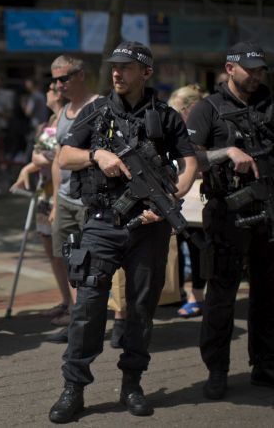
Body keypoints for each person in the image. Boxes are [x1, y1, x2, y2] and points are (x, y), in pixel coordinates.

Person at [49, 42, 197, 423]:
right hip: (101, 222)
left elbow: (190, 161)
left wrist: (167, 202)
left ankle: (132, 384)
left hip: (148, 228)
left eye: (126, 68)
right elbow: (64, 155)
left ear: (146, 72)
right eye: (114, 67)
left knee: (141, 309)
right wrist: (97, 155)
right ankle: (74, 388)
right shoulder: (96, 111)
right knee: (87, 307)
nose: (117, 73)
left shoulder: (165, 116)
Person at [186, 42, 274, 400]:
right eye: (249, 69)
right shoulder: (207, 109)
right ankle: (217, 370)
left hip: (268, 214)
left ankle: (265, 366)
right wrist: (227, 151)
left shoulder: (270, 104)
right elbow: (188, 159)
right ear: (229, 68)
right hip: (226, 215)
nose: (256, 76)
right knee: (222, 296)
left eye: (261, 69)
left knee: (268, 296)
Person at [46, 56, 99, 340]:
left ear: (81, 75)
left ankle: (108, 321)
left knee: (93, 264)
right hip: (66, 201)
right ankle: (78, 323)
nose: (58, 85)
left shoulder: (98, 106)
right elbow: (57, 160)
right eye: (55, 79)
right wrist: (55, 202)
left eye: (64, 78)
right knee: (72, 263)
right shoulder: (64, 110)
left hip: (90, 201)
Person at [11, 82, 71, 334]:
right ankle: (65, 299)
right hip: (44, 190)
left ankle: (74, 305)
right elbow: (38, 154)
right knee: (50, 248)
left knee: (63, 251)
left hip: (61, 191)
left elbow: (57, 155)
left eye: (49, 89)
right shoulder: (46, 122)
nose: (45, 93)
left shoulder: (68, 120)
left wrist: (37, 161)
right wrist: (32, 164)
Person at [168, 84, 209, 318]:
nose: (174, 113)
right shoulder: (174, 131)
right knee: (179, 248)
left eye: (179, 108)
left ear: (191, 107)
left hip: (195, 200)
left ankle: (197, 295)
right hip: (176, 197)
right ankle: (178, 292)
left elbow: (206, 161)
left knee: (196, 247)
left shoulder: (202, 127)